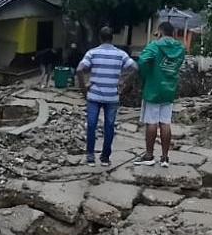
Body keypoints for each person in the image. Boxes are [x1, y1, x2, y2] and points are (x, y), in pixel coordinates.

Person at [76, 27, 138, 166]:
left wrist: (83, 88)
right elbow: (135, 67)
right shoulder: (120, 54)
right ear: (112, 38)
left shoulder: (92, 53)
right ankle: (105, 158)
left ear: (100, 37)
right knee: (109, 127)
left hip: (94, 95)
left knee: (91, 126)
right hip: (112, 96)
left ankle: (90, 157)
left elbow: (80, 69)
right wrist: (124, 81)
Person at [135, 21, 186, 167]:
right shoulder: (180, 48)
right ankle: (164, 157)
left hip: (153, 88)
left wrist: (146, 75)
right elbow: (177, 65)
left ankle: (149, 155)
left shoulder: (155, 46)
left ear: (160, 32)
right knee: (165, 122)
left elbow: (142, 61)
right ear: (173, 33)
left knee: (151, 122)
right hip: (169, 89)